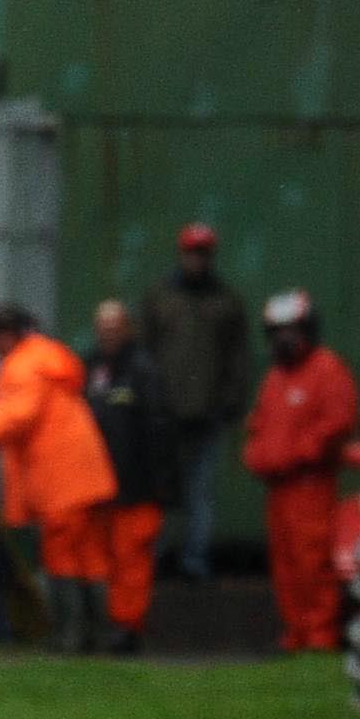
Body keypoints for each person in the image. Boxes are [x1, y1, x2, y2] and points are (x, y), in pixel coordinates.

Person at [0, 302, 118, 653]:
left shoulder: (24, 365)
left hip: (61, 480)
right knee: (90, 556)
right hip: (87, 475)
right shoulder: (46, 358)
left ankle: (67, 637)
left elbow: (16, 415)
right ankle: (98, 637)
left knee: (60, 555)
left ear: (8, 335)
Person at [244, 289, 360, 655]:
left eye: (290, 330)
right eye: (277, 331)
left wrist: (294, 454)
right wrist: (258, 456)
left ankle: (320, 635)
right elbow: (258, 426)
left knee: (313, 561)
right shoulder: (275, 377)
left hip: (311, 485)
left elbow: (338, 423)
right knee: (285, 565)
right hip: (279, 488)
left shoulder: (328, 369)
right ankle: (295, 634)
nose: (283, 338)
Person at [137, 222, 252, 579]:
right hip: (164, 413)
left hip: (207, 411)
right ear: (181, 253)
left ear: (211, 256)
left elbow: (238, 357)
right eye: (191, 252)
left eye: (203, 253)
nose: (197, 259)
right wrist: (147, 402)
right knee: (159, 490)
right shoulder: (159, 296)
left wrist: (231, 400)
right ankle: (152, 563)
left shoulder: (226, 301)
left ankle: (194, 563)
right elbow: (144, 353)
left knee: (200, 492)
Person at [77, 298, 170, 656]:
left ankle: (127, 627)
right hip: (99, 486)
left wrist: (158, 484)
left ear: (128, 329)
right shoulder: (91, 367)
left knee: (131, 559)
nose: (107, 335)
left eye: (114, 328)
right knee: (104, 559)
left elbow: (158, 428)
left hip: (136, 486)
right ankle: (108, 624)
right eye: (102, 328)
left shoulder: (143, 369)